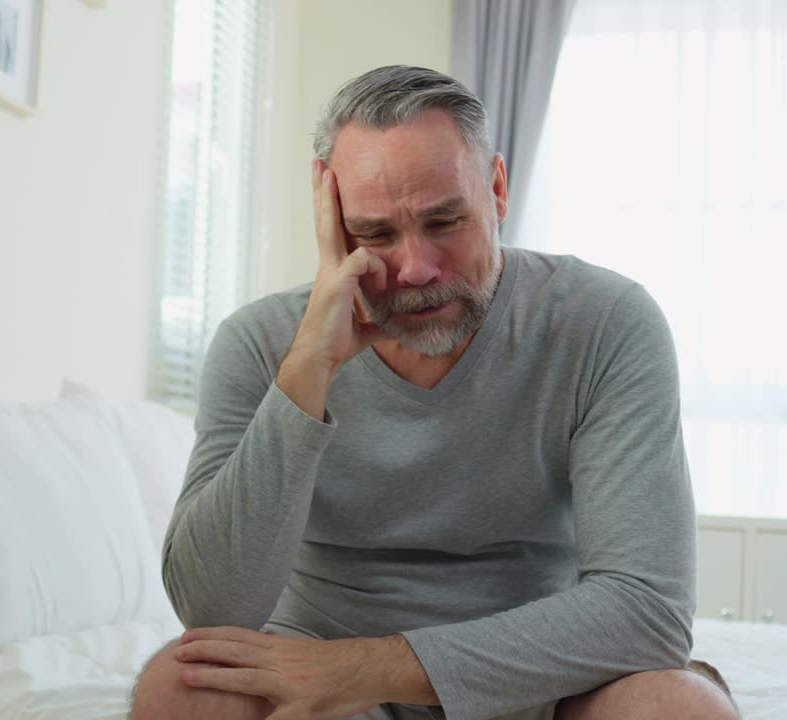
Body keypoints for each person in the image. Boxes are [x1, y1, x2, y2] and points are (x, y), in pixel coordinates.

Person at [129, 65, 739, 720]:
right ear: (333, 224)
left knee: (680, 707)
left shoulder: (605, 323)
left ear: (497, 191)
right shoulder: (259, 342)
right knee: (182, 688)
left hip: (537, 679)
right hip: (318, 680)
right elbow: (213, 609)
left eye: (445, 221)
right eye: (376, 235)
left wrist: (364, 668)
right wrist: (309, 365)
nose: (416, 268)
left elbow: (647, 611)